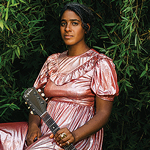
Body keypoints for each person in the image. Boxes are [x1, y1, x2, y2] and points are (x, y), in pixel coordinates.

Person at [25, 2, 119, 150]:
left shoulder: (99, 63)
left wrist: (74, 135)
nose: (67, 29)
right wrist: (33, 126)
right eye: (63, 24)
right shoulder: (52, 61)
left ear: (86, 28)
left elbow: (103, 113)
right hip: (47, 132)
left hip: (79, 136)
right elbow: (36, 101)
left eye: (74, 23)